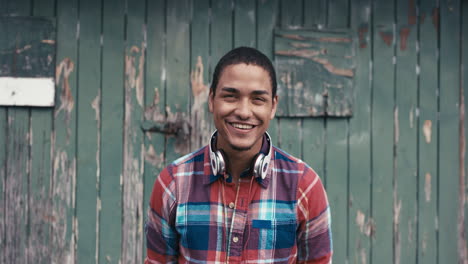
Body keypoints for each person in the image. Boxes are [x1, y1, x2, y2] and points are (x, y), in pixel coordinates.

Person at [145, 47, 332, 263]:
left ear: (273, 106)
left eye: (257, 99)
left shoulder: (304, 186)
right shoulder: (173, 184)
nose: (244, 111)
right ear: (212, 99)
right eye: (230, 96)